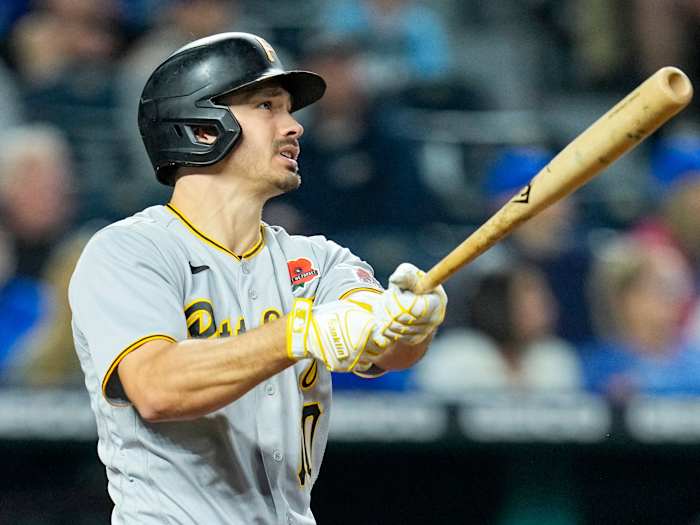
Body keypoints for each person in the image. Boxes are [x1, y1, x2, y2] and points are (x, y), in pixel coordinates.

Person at [68, 32, 447, 524]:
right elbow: (156, 388)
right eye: (267, 106)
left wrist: (407, 324)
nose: (294, 127)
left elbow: (385, 350)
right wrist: (297, 332)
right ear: (203, 128)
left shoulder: (320, 259)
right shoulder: (129, 250)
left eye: (288, 109)